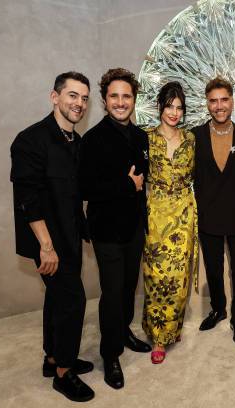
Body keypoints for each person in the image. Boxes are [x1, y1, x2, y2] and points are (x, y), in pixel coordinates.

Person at [10, 72, 94, 402]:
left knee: (57, 298)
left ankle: (52, 358)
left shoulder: (77, 142)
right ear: (54, 97)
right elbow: (27, 198)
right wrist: (46, 246)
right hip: (48, 240)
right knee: (73, 300)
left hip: (70, 235)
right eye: (72, 95)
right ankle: (63, 374)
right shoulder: (30, 140)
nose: (79, 103)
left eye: (84, 98)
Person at [79, 68, 150, 390]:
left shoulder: (141, 136)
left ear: (134, 100)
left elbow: (144, 182)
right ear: (105, 101)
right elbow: (86, 188)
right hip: (106, 230)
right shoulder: (92, 139)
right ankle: (110, 354)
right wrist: (127, 184)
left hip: (134, 227)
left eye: (127, 96)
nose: (121, 102)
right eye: (114, 97)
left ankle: (123, 332)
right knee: (111, 294)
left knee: (127, 288)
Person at [193, 77, 235, 347]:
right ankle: (218, 309)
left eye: (223, 100)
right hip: (208, 217)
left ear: (232, 101)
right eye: (213, 101)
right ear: (207, 104)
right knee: (214, 271)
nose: (219, 106)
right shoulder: (194, 137)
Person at [141, 82, 198, 363]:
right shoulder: (146, 139)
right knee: (156, 276)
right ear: (160, 107)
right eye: (169, 106)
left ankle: (172, 329)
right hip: (155, 213)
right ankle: (157, 336)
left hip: (184, 214)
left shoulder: (190, 140)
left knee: (178, 277)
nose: (174, 112)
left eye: (179, 107)